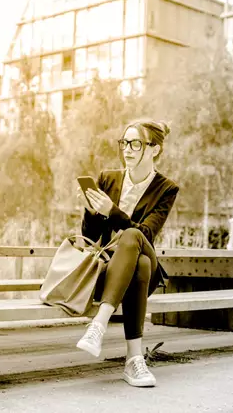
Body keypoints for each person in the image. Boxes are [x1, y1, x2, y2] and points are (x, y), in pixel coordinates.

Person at [76, 119, 179, 388]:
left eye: (136, 144)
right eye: (125, 143)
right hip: (110, 271)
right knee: (140, 265)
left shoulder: (166, 188)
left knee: (135, 237)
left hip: (144, 254)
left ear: (154, 149)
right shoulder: (107, 179)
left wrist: (113, 211)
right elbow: (93, 236)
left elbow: (148, 232)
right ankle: (134, 361)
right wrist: (91, 210)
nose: (128, 150)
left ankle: (99, 324)